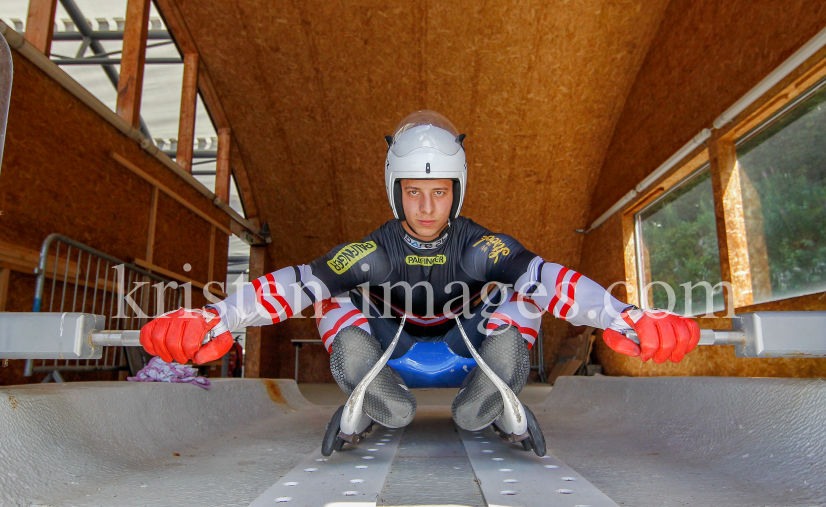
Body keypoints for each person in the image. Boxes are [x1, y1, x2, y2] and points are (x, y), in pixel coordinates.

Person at [139, 110, 700, 432]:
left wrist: (627, 318)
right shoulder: (370, 251)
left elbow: (551, 280)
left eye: (438, 192)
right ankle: (378, 395)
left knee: (527, 293)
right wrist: (215, 319)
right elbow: (293, 283)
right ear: (394, 192)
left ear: (456, 192)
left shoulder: (483, 246)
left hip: (470, 351)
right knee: (329, 294)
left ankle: (488, 396)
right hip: (392, 353)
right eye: (413, 192)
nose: (427, 208)